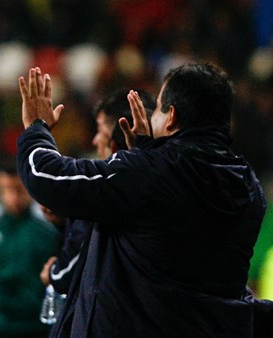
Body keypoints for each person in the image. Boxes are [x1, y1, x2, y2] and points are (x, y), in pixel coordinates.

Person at [16, 64, 266, 337]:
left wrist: (36, 128)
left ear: (171, 117)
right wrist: (148, 152)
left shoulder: (146, 173)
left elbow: (44, 174)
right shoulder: (250, 188)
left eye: (158, 108)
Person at [39, 88, 156, 298]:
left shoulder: (108, 191)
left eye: (100, 129)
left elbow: (69, 273)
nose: (95, 140)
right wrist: (67, 221)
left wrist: (35, 130)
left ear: (121, 132)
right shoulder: (164, 177)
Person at [0, 165, 59, 338]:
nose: (14, 196)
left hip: (33, 325)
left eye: (19, 189)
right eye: (7, 189)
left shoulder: (49, 231)